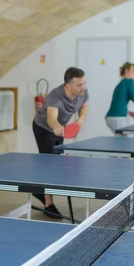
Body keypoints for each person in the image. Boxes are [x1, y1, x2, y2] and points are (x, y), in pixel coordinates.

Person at [32, 67, 89, 218]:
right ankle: (48, 204)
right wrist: (56, 126)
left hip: (60, 129)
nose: (83, 87)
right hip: (43, 128)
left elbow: (84, 105)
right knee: (49, 165)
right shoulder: (55, 97)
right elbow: (51, 117)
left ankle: (39, 191)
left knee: (57, 164)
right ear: (67, 85)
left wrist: (80, 121)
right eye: (79, 85)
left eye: (84, 83)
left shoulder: (83, 92)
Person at [105, 62, 134, 134]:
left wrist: (128, 112)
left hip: (111, 117)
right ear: (126, 71)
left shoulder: (121, 84)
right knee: (122, 142)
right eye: (133, 71)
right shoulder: (130, 81)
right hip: (117, 118)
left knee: (119, 142)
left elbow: (119, 102)